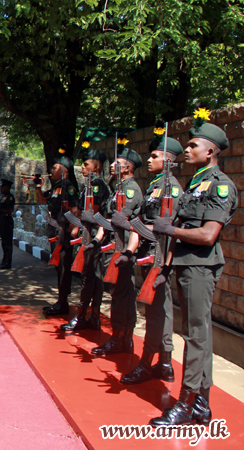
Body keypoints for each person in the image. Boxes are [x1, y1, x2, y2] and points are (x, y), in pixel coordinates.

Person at [149, 113, 237, 426]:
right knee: (199, 335)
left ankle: (186, 403)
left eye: (193, 145)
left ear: (210, 151)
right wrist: (167, 264)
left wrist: (169, 230)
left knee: (196, 336)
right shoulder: (196, 182)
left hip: (200, 266)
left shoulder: (220, 186)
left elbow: (208, 234)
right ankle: (201, 404)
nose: (186, 150)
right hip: (186, 265)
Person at [120, 128, 183, 385]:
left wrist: (166, 266)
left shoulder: (172, 189)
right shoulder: (156, 187)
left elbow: (170, 230)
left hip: (159, 257)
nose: (149, 159)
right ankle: (165, 364)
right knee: (159, 310)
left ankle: (146, 363)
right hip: (150, 255)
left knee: (157, 312)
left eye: (154, 156)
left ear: (168, 160)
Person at [91, 142, 143, 356]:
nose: (112, 165)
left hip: (122, 248)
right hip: (115, 246)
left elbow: (121, 219)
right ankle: (121, 337)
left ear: (128, 167)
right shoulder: (119, 188)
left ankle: (121, 338)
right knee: (118, 293)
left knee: (122, 294)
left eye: (118, 163)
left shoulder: (130, 189)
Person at [61, 144, 110, 332]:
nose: (82, 167)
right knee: (93, 277)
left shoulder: (96, 185)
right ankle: (93, 317)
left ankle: (83, 316)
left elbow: (92, 213)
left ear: (96, 167)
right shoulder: (90, 185)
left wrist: (78, 220)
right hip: (90, 234)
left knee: (89, 278)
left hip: (95, 235)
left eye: (86, 164)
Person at [37, 153, 80, 315]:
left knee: (63, 266)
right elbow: (43, 200)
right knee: (58, 266)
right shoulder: (56, 187)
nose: (51, 170)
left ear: (64, 171)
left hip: (64, 230)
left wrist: (71, 234)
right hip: (55, 228)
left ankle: (63, 302)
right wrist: (38, 186)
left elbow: (75, 211)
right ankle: (61, 300)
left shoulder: (69, 188)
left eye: (54, 168)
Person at [0, 179, 16, 269]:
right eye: (1, 187)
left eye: (3, 187)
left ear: (8, 187)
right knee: (4, 243)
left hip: (7, 220)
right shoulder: (3, 197)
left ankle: (7, 262)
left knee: (7, 243)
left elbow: (9, 211)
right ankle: (4, 261)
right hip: (2, 220)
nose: (1, 189)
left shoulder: (10, 198)